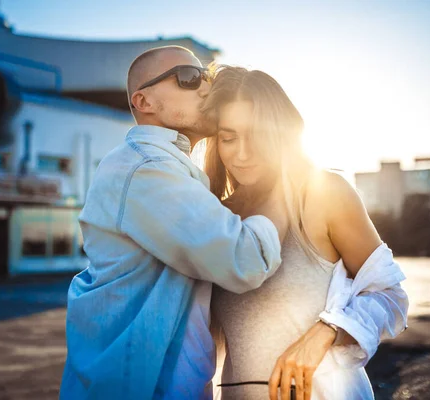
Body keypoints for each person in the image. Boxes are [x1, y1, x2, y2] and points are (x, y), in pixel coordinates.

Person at [59, 46, 290, 399]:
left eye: (205, 77)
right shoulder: (146, 169)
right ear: (144, 101)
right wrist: (285, 185)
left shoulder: (169, 170)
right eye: (188, 77)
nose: (204, 87)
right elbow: (246, 259)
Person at [204, 66, 409, 400]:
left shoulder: (324, 193)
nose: (242, 153)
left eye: (257, 136)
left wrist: (327, 329)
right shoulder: (215, 215)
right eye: (229, 138)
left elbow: (392, 298)